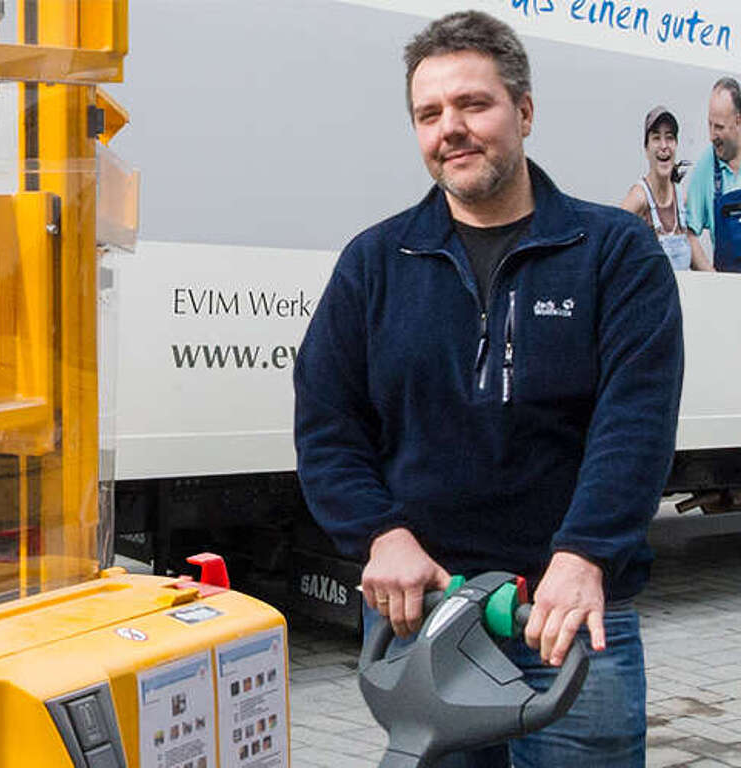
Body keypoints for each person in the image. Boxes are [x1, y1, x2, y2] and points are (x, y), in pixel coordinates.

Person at [294, 10, 683, 767]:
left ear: (525, 111)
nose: (452, 129)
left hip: (567, 621)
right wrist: (379, 534)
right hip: (428, 622)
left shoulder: (614, 253)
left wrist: (584, 554)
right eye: (430, 113)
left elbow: (634, 421)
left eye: (474, 104)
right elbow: (326, 422)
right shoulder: (375, 262)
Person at [622, 106, 712, 271]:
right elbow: (611, 243)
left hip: (682, 296)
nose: (664, 146)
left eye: (669, 138)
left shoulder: (682, 200)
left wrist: (725, 288)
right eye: (656, 138)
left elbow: (702, 264)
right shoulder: (639, 198)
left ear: (676, 144)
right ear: (646, 148)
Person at [686, 77, 741, 272]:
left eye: (719, 127)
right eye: (709, 124)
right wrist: (712, 279)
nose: (711, 135)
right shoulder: (706, 167)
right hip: (727, 295)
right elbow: (688, 233)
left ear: (738, 121)